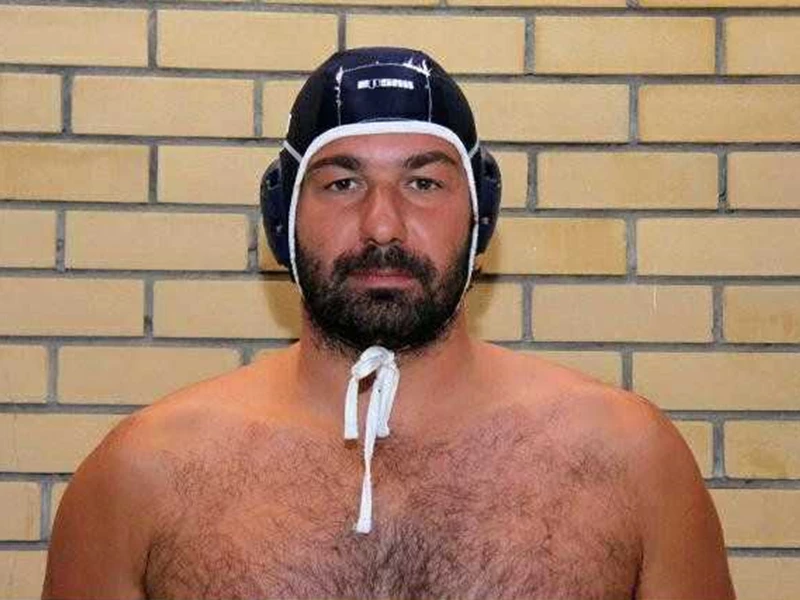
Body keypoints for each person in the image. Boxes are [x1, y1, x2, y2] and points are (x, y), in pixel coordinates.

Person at [43, 47, 735, 599]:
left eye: (423, 183)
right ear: (282, 219)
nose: (382, 224)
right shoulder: (144, 476)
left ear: (480, 216)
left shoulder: (630, 461)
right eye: (342, 183)